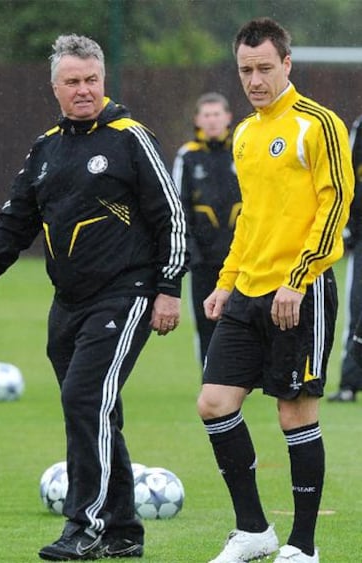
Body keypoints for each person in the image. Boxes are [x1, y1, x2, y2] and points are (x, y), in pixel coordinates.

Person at [0, 34, 188, 561]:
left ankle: (86, 525)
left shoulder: (131, 138)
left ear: (103, 81)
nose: (84, 91)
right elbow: (15, 219)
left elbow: (172, 216)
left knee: (85, 399)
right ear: (55, 87)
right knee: (96, 411)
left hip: (125, 295)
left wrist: (168, 290)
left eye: (92, 81)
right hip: (68, 303)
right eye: (73, 82)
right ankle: (125, 530)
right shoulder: (46, 148)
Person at [197, 17, 353, 563]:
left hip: (300, 292)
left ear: (287, 63)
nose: (255, 79)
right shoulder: (243, 133)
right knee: (214, 404)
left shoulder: (319, 124)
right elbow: (250, 221)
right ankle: (253, 531)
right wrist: (225, 283)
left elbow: (335, 208)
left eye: (265, 68)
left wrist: (299, 277)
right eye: (246, 69)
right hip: (248, 293)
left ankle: (302, 547)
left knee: (295, 415)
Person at [172, 93, 241, 368]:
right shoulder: (188, 156)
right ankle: (211, 375)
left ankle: (243, 377)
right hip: (203, 259)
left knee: (243, 320)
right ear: (198, 120)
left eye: (217, 114)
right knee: (207, 321)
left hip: (241, 259)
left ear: (228, 117)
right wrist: (191, 252)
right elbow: (179, 207)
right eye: (207, 115)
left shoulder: (242, 150)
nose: (212, 121)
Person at [328, 114, 362, 402]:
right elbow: (347, 179)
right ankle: (350, 383)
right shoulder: (359, 127)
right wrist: (349, 227)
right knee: (357, 309)